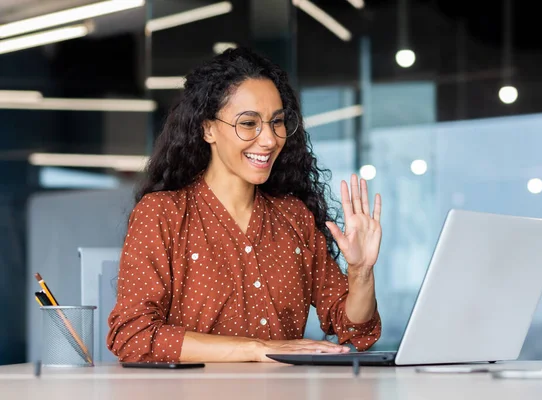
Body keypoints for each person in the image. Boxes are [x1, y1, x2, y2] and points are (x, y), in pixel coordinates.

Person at [106, 47, 382, 363]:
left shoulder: (294, 217)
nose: (269, 139)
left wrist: (361, 272)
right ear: (207, 128)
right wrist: (254, 348)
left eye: (277, 122)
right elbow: (132, 336)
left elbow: (355, 332)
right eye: (249, 123)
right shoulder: (162, 214)